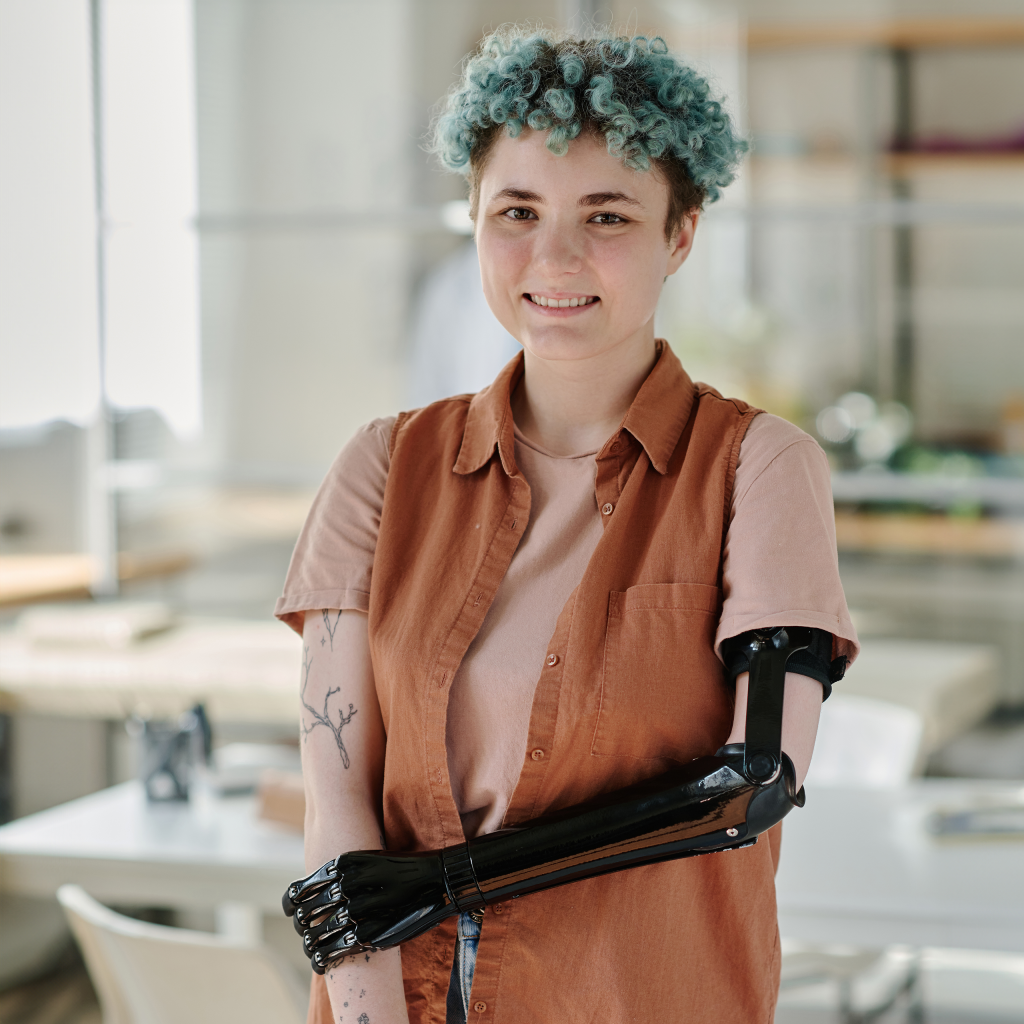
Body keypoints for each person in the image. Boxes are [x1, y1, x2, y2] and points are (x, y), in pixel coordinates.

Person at [275, 29, 858, 1024]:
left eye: (606, 214)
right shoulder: (380, 466)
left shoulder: (758, 469)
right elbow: (340, 815)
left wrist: (446, 881)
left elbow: (751, 783)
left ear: (680, 234)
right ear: (472, 218)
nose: (555, 255)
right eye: (517, 211)